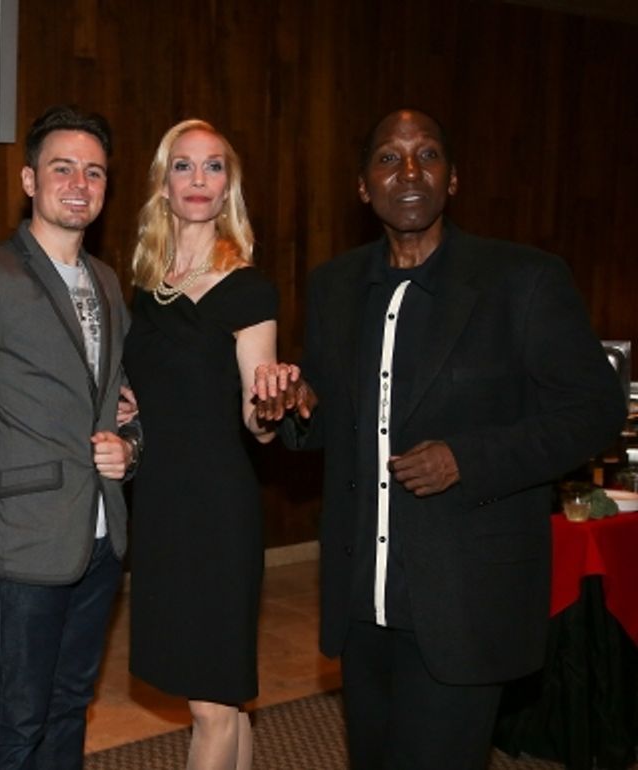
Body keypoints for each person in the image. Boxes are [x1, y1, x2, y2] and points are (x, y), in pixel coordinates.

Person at [260, 108, 627, 770]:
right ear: (363, 186)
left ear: (452, 180)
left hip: (465, 601)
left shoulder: (522, 280)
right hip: (364, 600)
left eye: (427, 156)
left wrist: (469, 457)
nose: (408, 171)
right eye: (388, 158)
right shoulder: (336, 285)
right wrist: (298, 409)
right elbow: (329, 425)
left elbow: (594, 409)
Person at [0, 105, 140, 770]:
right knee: (19, 715)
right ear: (29, 179)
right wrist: (9, 459)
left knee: (71, 704)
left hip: (104, 533)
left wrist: (131, 447)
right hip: (26, 539)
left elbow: (123, 399)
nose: (79, 182)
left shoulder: (105, 281)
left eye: (94, 171)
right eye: (62, 167)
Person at [124, 119, 284, 770]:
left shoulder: (248, 287)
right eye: (183, 166)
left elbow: (259, 420)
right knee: (220, 695)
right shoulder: (142, 282)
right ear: (164, 183)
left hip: (216, 506)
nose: (198, 180)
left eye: (213, 167)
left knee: (212, 706)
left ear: (228, 189)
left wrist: (271, 408)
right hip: (159, 501)